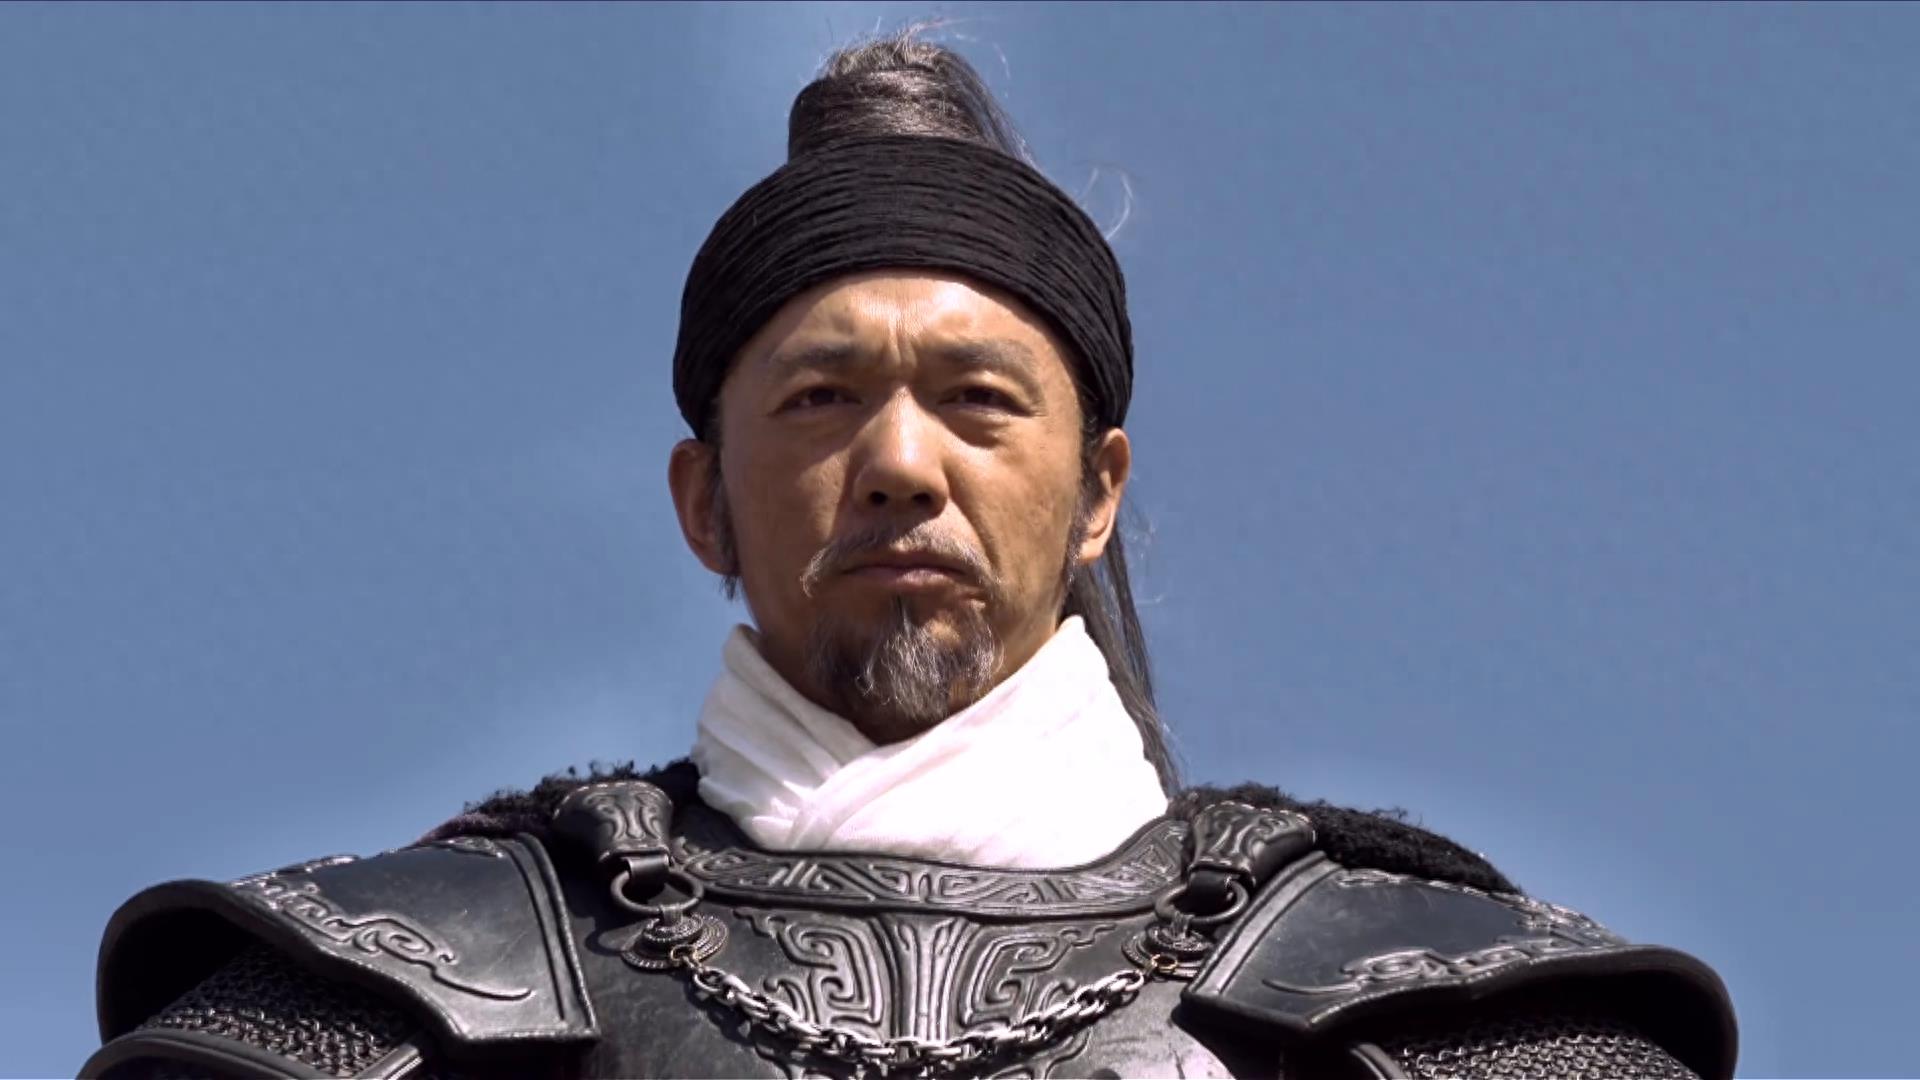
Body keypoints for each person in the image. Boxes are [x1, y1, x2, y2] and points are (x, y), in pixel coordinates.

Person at [82, 30, 1736, 1080]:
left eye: (978, 401)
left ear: (1095, 495)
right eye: (819, 400)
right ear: (702, 501)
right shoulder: (404, 980)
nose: (898, 463)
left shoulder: (1429, 1003)